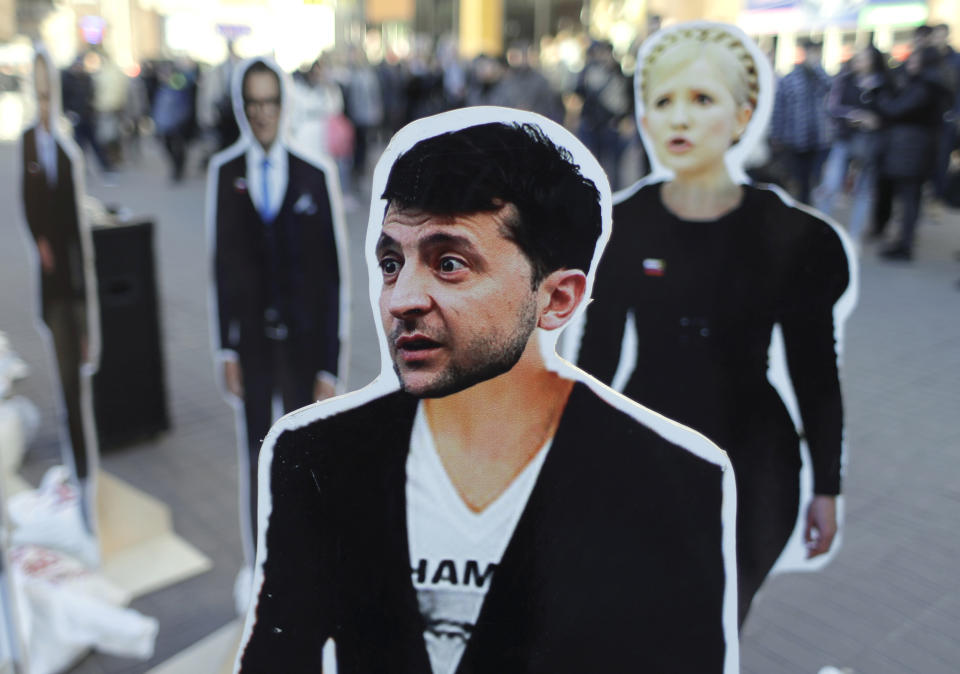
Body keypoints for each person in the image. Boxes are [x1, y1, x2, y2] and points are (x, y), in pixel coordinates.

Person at [236, 113, 739, 673]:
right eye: (390, 262)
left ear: (558, 299)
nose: (401, 298)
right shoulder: (316, 459)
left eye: (449, 263)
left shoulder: (672, 484)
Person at [574, 23, 856, 626]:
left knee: (718, 621)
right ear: (644, 118)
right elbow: (594, 361)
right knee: (646, 617)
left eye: (701, 100)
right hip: (648, 452)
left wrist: (827, 488)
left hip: (754, 466)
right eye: (663, 102)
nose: (680, 120)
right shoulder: (623, 227)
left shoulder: (792, 237)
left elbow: (815, 371)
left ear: (742, 113)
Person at [207, 58, 345, 566]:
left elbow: (332, 279)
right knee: (256, 456)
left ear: (283, 106)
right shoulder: (225, 174)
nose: (262, 114)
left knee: (303, 456)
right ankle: (261, 564)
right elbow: (220, 266)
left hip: (304, 344)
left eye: (270, 102)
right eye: (253, 104)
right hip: (253, 345)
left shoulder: (313, 176)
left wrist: (330, 363)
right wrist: (226, 346)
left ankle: (305, 563)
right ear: (243, 109)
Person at [20, 49, 98, 535]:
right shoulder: (29, 142)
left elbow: (76, 225)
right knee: (67, 378)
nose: (45, 100)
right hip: (51, 285)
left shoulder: (67, 147)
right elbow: (28, 203)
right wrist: (41, 242)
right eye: (40, 90)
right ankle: (80, 467)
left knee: (78, 377)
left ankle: (87, 470)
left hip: (74, 282)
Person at [867, 46, 950, 261]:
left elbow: (896, 109)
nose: (910, 64)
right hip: (915, 148)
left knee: (909, 197)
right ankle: (902, 241)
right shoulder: (929, 83)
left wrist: (880, 96)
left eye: (914, 60)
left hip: (911, 149)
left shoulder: (924, 86)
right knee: (910, 197)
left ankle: (904, 244)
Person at [813, 46, 888, 243]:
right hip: (845, 140)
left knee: (863, 192)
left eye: (864, 58)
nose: (859, 62)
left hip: (870, 144)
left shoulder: (884, 85)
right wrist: (855, 115)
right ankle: (823, 231)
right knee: (830, 186)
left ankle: (854, 237)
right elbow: (832, 107)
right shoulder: (845, 80)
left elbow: (890, 111)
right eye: (858, 58)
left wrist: (875, 119)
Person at [771, 38, 832, 204]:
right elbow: (779, 109)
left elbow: (830, 88)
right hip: (796, 140)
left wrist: (817, 68)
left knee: (814, 180)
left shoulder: (820, 77)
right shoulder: (790, 79)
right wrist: (777, 136)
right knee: (798, 181)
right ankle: (800, 207)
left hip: (818, 140)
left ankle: (808, 207)